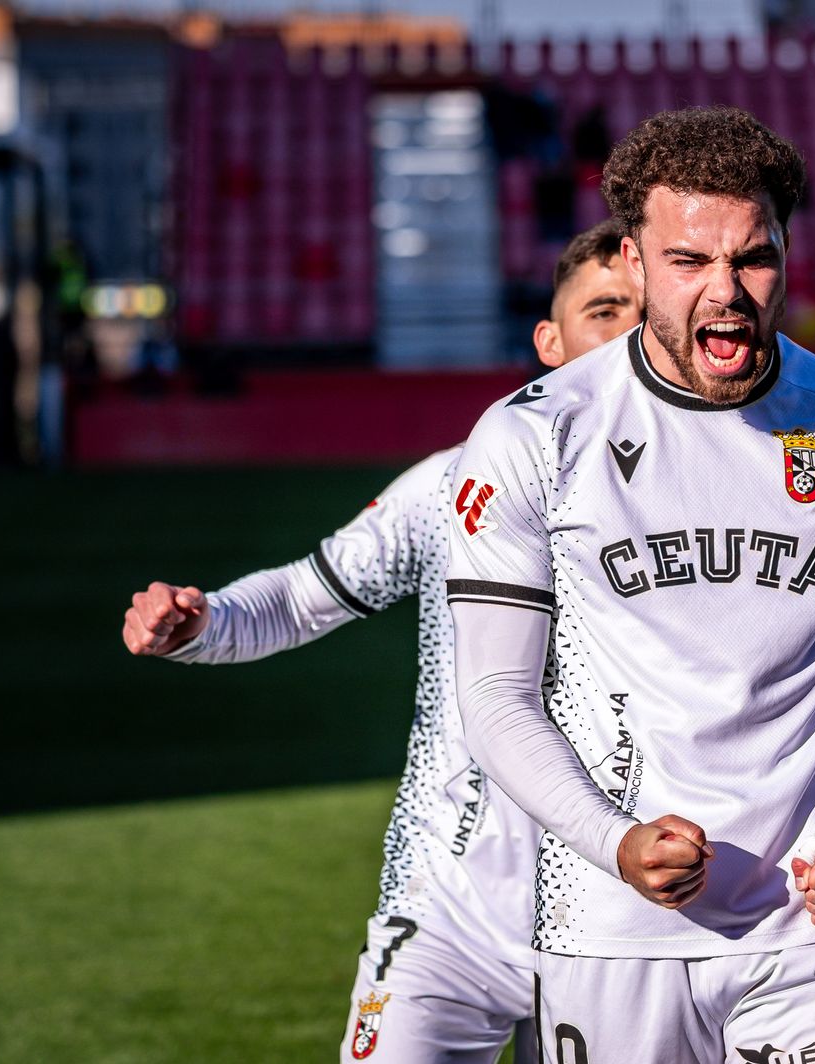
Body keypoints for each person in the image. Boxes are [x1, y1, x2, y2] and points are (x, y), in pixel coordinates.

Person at [446, 106, 815, 1062]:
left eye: (754, 259)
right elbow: (493, 693)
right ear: (635, 264)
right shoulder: (535, 435)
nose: (725, 293)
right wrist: (612, 840)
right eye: (689, 261)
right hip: (608, 934)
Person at [119, 219, 640, 1064]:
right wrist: (202, 621)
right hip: (446, 913)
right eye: (604, 310)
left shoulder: (719, 498)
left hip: (627, 920)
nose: (626, 335)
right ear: (550, 340)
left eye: (645, 312)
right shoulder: (450, 483)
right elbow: (300, 596)